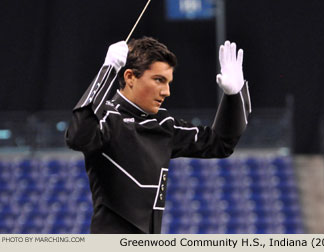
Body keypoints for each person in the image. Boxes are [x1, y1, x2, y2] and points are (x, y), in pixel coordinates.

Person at [65, 37, 251, 234]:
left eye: (168, 82)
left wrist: (233, 97)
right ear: (129, 77)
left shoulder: (163, 125)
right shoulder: (106, 118)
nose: (167, 92)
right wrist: (107, 71)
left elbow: (219, 143)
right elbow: (79, 137)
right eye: (159, 80)